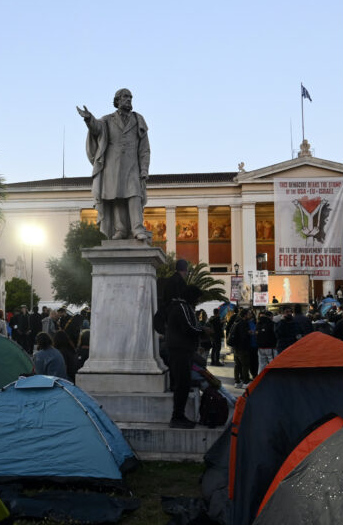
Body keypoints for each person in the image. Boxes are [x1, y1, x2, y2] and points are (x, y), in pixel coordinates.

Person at [76, 88, 151, 241]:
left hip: (132, 165)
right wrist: (89, 118)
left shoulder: (138, 120)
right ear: (117, 100)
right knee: (117, 197)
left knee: (134, 195)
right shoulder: (107, 120)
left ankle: (137, 228)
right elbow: (96, 128)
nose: (128, 99)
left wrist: (144, 168)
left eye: (130, 97)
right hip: (112, 166)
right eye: (125, 97)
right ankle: (121, 230)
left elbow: (144, 149)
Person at [163, 259, 201, 429]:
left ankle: (179, 416)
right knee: (182, 384)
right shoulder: (181, 306)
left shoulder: (180, 305)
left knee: (183, 383)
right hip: (180, 349)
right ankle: (177, 417)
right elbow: (189, 327)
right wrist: (204, 333)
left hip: (181, 348)